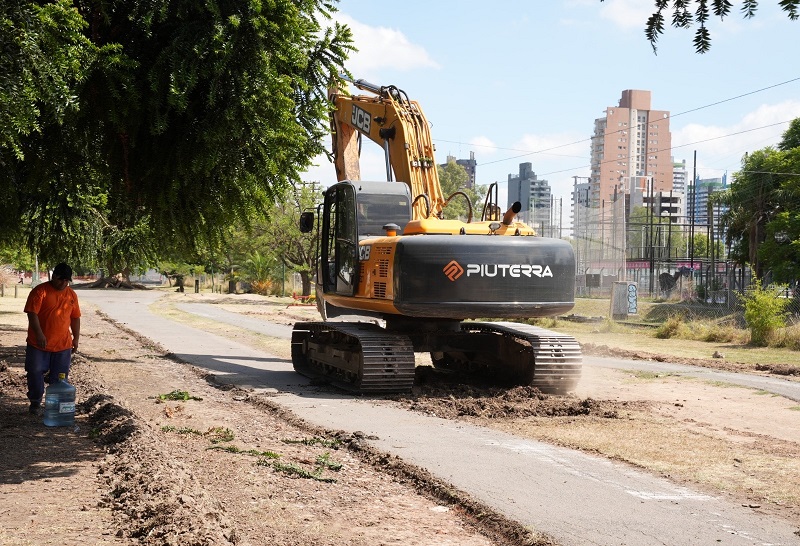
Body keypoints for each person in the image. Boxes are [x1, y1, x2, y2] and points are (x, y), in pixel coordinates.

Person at [23, 262, 81, 414]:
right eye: (61, 279)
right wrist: (39, 334)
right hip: (39, 344)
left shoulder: (71, 295)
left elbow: (75, 318)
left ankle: (55, 408)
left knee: (60, 378)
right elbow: (32, 313)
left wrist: (76, 338)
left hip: (63, 345)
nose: (64, 283)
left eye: (67, 280)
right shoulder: (40, 291)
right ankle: (35, 402)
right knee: (35, 371)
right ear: (53, 276)